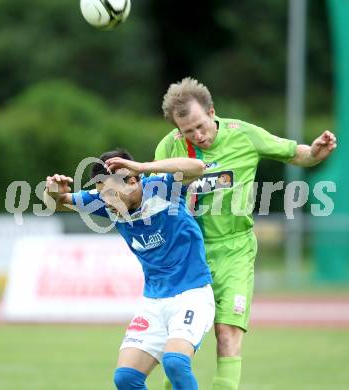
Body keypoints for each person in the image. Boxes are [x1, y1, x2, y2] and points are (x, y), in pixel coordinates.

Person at [154, 77, 337, 390]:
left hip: (235, 251)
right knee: (180, 348)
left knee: (227, 335)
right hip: (190, 256)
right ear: (177, 130)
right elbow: (155, 200)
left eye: (202, 125)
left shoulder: (244, 135)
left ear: (212, 112)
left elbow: (296, 154)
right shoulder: (169, 147)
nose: (198, 136)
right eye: (188, 132)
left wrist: (316, 153)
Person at [43, 149, 215, 390]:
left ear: (133, 181)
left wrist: (143, 167)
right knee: (125, 378)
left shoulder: (161, 187)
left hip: (191, 294)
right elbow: (56, 203)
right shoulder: (105, 200)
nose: (108, 203)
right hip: (153, 301)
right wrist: (52, 192)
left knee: (175, 363)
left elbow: (198, 167)